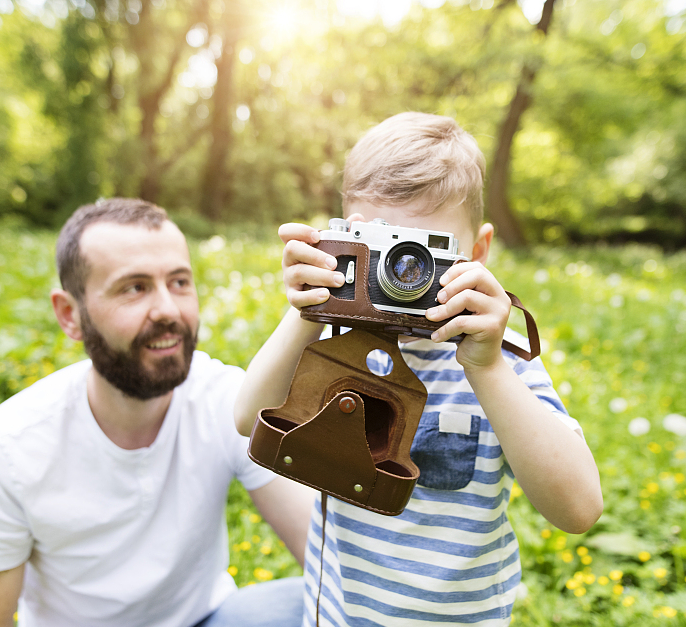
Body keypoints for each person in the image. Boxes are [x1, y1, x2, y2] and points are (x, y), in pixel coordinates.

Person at [234, 113, 603, 626]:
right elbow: (248, 419)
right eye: (377, 248)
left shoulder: (499, 358)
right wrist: (306, 313)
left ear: (477, 253)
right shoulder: (330, 340)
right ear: (342, 240)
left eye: (419, 257)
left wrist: (489, 369)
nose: (398, 276)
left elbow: (579, 509)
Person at [0, 198, 314, 627]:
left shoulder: (225, 400)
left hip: (209, 618)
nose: (168, 311)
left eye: (179, 282)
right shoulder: (7, 448)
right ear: (70, 315)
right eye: (134, 288)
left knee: (326, 602)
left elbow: (324, 555)